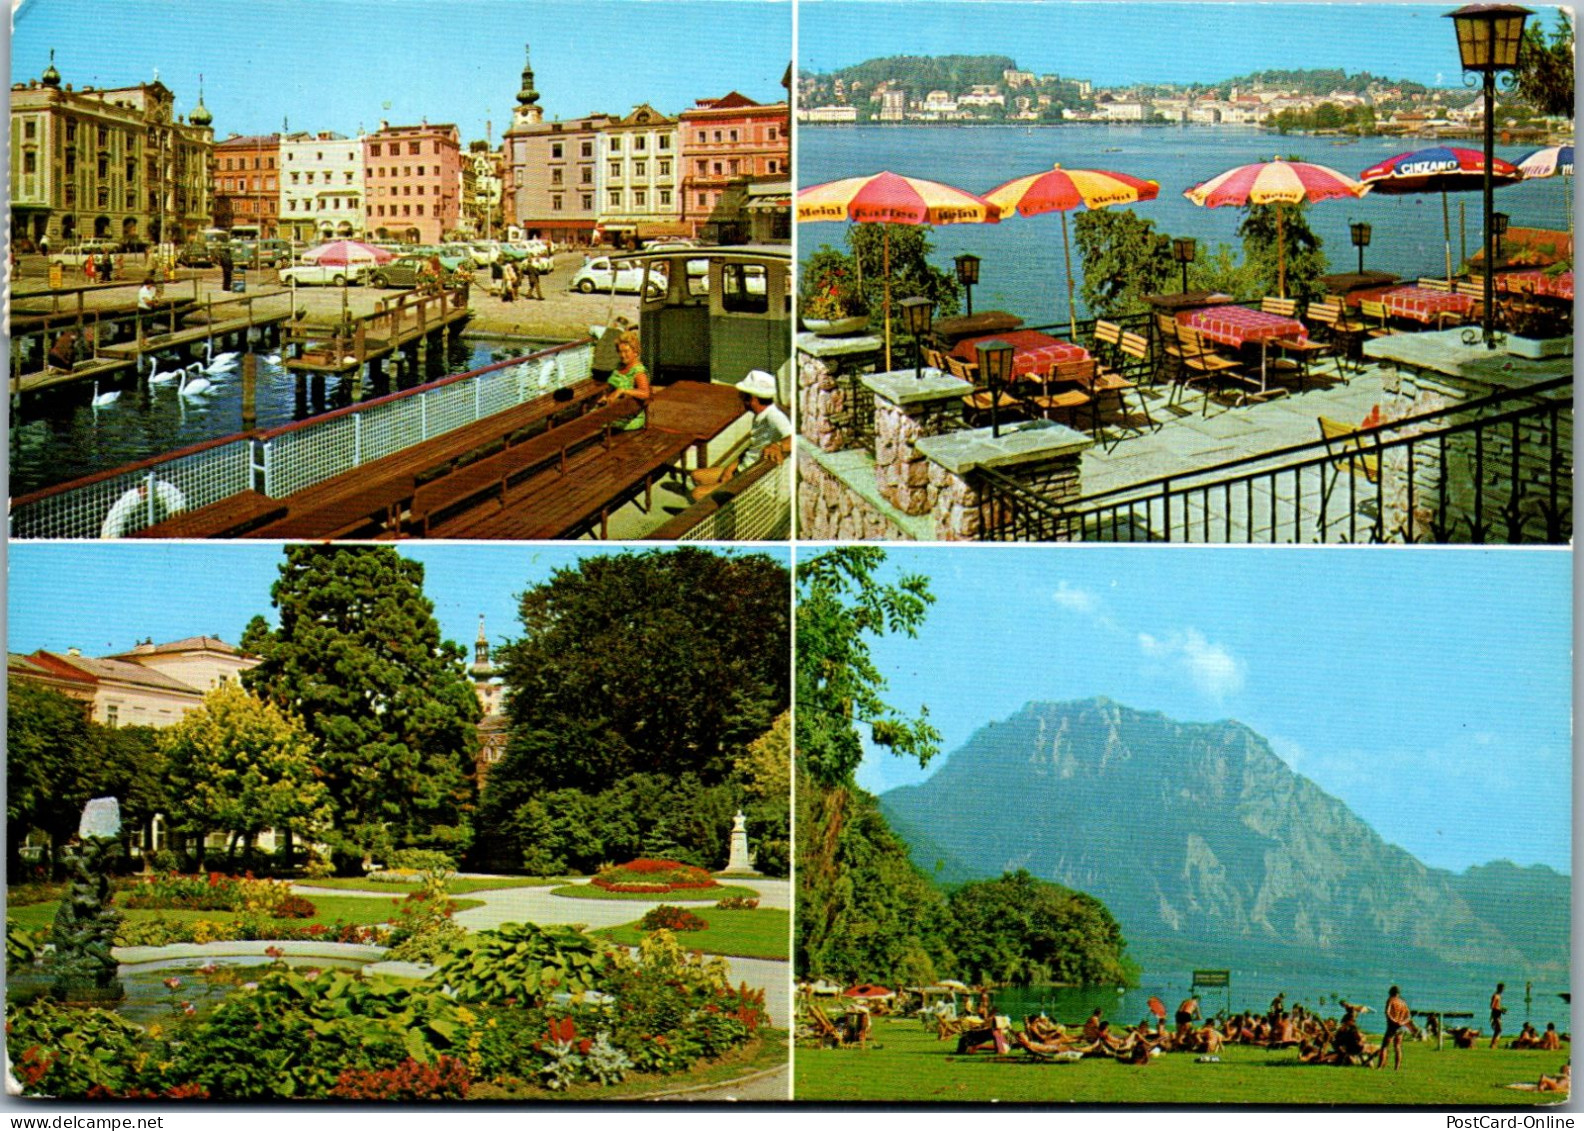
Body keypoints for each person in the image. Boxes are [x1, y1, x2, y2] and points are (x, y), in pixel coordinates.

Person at [683, 369, 791, 502]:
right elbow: (753, 448)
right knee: (696, 476)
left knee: (697, 494)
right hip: (743, 468)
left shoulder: (774, 416)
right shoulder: (761, 415)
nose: (740, 399)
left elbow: (793, 439)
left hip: (750, 480)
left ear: (752, 399)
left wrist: (778, 446)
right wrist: (730, 468)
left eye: (743, 396)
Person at [598, 329, 649, 430]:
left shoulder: (638, 371)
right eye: (620, 351)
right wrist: (606, 396)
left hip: (630, 417)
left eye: (626, 351)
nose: (622, 355)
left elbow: (645, 393)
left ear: (635, 351)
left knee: (594, 423)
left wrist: (622, 390)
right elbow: (612, 387)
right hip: (616, 411)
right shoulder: (620, 366)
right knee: (590, 419)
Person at [1376, 985, 1411, 1070]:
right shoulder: (1403, 1002)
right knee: (1398, 1047)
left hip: (1392, 1026)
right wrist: (1402, 1022)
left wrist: (1394, 1021)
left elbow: (1387, 1012)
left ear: (1391, 992)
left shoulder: (1391, 1000)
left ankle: (1380, 1066)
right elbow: (1408, 1016)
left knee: (1385, 1046)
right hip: (1401, 1027)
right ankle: (1397, 1068)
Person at [1490, 983, 1506, 1048]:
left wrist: (1501, 1009)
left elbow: (1497, 1006)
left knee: (1498, 1029)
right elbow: (1492, 1006)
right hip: (1495, 1014)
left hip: (1498, 1014)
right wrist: (1500, 1009)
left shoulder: (1499, 996)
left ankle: (1493, 1044)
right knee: (1499, 1029)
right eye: (1502, 988)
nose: (1503, 990)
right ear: (1499, 988)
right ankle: (1493, 1044)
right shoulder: (1495, 996)